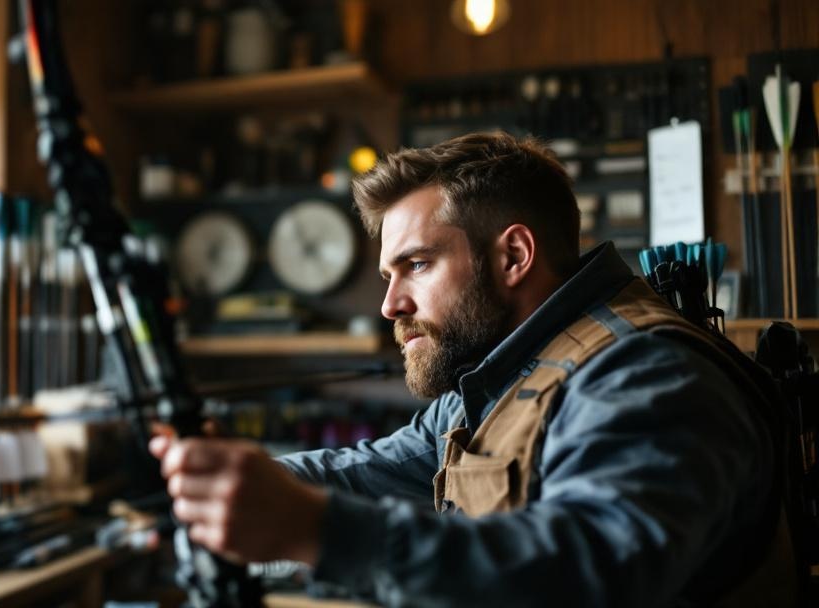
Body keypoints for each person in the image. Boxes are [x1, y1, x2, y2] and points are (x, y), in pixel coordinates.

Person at [148, 132, 795, 606]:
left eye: (417, 265)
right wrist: (209, 486)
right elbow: (369, 472)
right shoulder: (496, 378)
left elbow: (588, 571)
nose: (389, 305)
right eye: (387, 275)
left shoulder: (643, 374)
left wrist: (316, 529)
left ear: (513, 256)